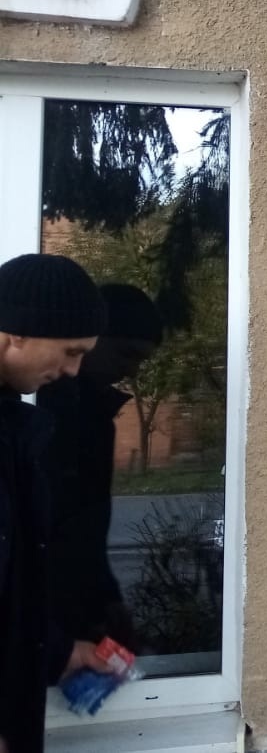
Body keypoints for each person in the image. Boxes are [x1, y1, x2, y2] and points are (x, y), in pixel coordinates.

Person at [0, 254, 112, 753]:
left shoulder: (12, 427)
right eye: (70, 351)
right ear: (16, 332)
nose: (73, 370)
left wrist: (59, 652)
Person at [40, 284, 164, 656]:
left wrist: (106, 597)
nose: (131, 370)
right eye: (126, 354)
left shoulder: (94, 416)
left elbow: (88, 522)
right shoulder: (39, 411)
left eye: (140, 360)